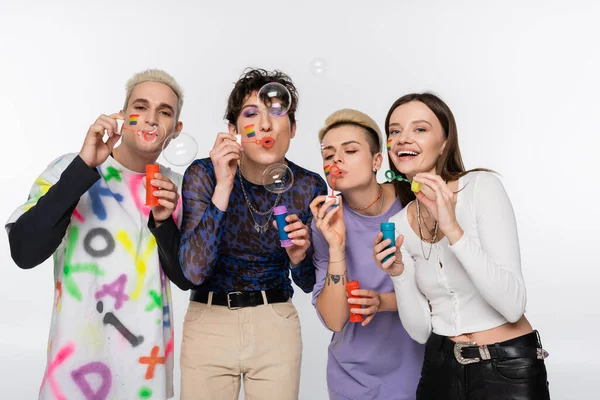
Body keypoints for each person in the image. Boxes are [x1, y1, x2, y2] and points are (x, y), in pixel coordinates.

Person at [6, 69, 191, 399]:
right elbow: (24, 250)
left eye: (164, 112)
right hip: (71, 378)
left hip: (145, 381)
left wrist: (164, 223)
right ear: (123, 116)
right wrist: (82, 167)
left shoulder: (177, 188)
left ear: (175, 130)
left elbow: (187, 278)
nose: (151, 119)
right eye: (141, 107)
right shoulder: (70, 168)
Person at [373, 93, 551, 399]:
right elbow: (420, 331)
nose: (403, 139)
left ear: (444, 143)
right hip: (440, 369)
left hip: (507, 369)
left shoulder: (481, 188)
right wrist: (398, 272)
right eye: (394, 130)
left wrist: (452, 229)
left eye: (419, 129)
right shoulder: (401, 223)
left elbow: (512, 305)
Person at [178, 68, 327, 400]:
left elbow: (307, 283)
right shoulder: (203, 174)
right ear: (233, 131)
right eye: (251, 114)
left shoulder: (308, 186)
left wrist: (299, 257)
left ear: (293, 128)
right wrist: (224, 185)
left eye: (277, 113)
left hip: (276, 323)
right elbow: (194, 271)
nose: (265, 125)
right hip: (208, 322)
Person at [310, 109, 424, 400]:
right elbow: (335, 321)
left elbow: (445, 292)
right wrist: (336, 247)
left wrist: (383, 302)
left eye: (349, 150)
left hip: (420, 373)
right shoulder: (325, 222)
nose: (336, 160)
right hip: (351, 378)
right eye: (328, 155)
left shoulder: (412, 204)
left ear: (377, 161)